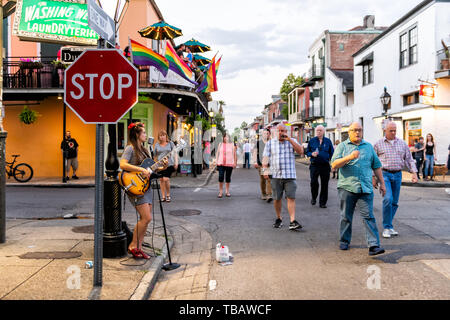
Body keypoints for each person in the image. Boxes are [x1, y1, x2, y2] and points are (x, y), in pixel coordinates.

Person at [331, 122, 386, 256]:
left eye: (360, 130)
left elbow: (376, 166)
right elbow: (334, 164)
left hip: (365, 188)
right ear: (349, 132)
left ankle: (373, 245)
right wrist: (349, 157)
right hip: (347, 187)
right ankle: (344, 240)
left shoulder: (368, 147)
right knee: (346, 216)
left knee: (369, 216)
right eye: (354, 130)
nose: (357, 133)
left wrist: (382, 183)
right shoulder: (342, 146)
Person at [120, 122, 168, 259]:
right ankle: (132, 245)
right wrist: (141, 169)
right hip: (135, 185)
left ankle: (138, 248)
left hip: (146, 186)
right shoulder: (130, 148)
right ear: (137, 134)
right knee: (147, 217)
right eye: (144, 133)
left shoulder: (145, 150)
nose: (146, 135)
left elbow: (152, 168)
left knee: (145, 219)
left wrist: (163, 166)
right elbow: (122, 164)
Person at [373, 121, 418, 239]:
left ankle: (389, 225)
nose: (393, 133)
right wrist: (373, 177)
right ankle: (387, 227)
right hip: (384, 175)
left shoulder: (402, 144)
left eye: (394, 130)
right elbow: (372, 161)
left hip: (397, 175)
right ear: (385, 131)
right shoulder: (378, 144)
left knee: (394, 202)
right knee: (388, 199)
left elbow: (409, 159)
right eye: (390, 131)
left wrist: (414, 173)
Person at [262, 123, 304, 230]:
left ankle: (292, 221)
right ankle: (279, 218)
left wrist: (290, 140)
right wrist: (265, 171)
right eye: (279, 131)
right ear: (276, 132)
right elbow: (265, 159)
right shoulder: (270, 143)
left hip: (289, 175)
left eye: (283, 131)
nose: (281, 133)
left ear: (286, 132)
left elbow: (301, 151)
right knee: (277, 199)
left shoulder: (292, 141)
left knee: (291, 197)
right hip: (276, 175)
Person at [305, 125, 334, 208]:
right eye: (317, 130)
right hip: (314, 165)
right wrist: (311, 154)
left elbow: (332, 153)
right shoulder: (312, 141)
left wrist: (333, 164)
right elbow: (307, 152)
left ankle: (322, 203)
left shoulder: (328, 141)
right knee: (314, 183)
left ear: (323, 131)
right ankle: (314, 197)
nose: (318, 132)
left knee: (325, 185)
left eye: (320, 130)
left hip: (325, 166)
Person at [154, 130, 178, 203]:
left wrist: (176, 163)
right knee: (161, 180)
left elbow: (175, 153)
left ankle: (168, 195)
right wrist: (155, 165)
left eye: (163, 135)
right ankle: (163, 197)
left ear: (166, 136)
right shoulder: (157, 145)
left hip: (169, 164)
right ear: (159, 137)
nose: (162, 137)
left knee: (165, 179)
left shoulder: (170, 143)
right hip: (160, 165)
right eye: (161, 135)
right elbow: (155, 155)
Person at [253, 129, 273, 202]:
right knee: (263, 180)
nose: (266, 135)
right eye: (264, 133)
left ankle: (269, 195)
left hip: (270, 164)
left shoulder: (272, 143)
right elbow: (255, 152)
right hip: (261, 164)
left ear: (269, 134)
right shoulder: (258, 143)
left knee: (269, 179)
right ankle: (264, 194)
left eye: (267, 133)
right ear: (262, 135)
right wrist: (255, 161)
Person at [215, 133, 237, 198]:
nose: (226, 138)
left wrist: (235, 163)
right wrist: (216, 161)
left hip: (229, 163)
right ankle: (221, 191)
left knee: (228, 177)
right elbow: (217, 153)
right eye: (224, 137)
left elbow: (235, 154)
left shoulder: (232, 145)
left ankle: (227, 191)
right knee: (221, 176)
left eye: (227, 137)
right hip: (221, 163)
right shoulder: (220, 144)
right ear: (223, 138)